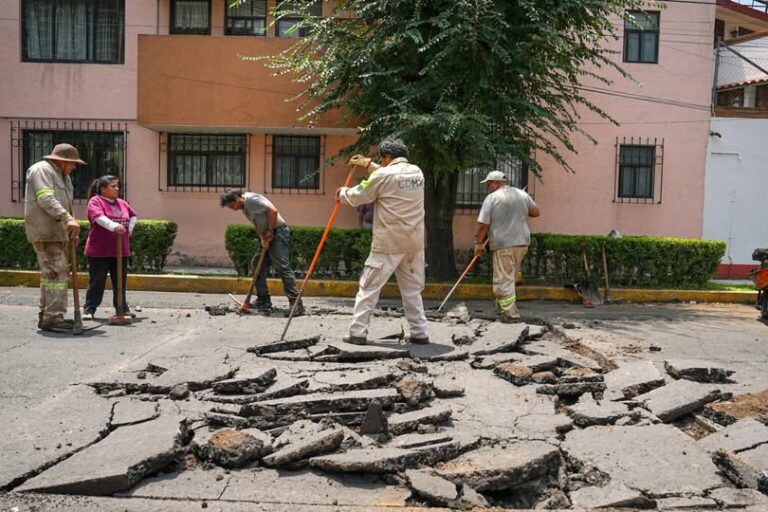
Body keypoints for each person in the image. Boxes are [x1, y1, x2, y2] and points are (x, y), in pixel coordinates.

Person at [337, 137, 429, 345]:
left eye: (382, 159)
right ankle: (420, 332)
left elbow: (360, 195)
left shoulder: (383, 175)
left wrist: (342, 193)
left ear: (387, 156)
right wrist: (369, 165)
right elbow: (391, 176)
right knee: (412, 290)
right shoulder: (417, 173)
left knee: (368, 287)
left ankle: (357, 333)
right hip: (413, 242)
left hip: (388, 242)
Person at [24, 143, 86, 332]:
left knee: (53, 275)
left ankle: (49, 315)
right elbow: (46, 199)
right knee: (56, 275)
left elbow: (65, 205)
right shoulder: (42, 170)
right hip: (46, 233)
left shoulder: (63, 176)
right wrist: (69, 220)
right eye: (72, 163)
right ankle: (53, 318)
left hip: (57, 233)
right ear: (62, 161)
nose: (74, 167)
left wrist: (71, 228)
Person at [219, 189, 304, 315]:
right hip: (267, 235)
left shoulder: (252, 200)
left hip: (278, 232)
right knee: (257, 264)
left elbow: (273, 211)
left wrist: (270, 231)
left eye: (232, 206)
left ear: (237, 198)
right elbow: (257, 223)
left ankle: (296, 304)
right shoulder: (245, 207)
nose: (232, 209)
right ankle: (263, 300)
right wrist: (263, 238)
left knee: (281, 267)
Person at [474, 170, 540, 322]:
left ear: (496, 183)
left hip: (504, 244)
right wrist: (518, 209)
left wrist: (478, 243)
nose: (488, 187)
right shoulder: (522, 194)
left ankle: (510, 314)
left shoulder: (492, 198)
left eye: (489, 184)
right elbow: (535, 212)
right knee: (509, 277)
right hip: (522, 243)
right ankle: (501, 308)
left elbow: (483, 225)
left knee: (503, 280)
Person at [83, 175, 138, 320]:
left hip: (121, 250)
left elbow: (133, 216)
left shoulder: (122, 203)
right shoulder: (96, 201)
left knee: (120, 281)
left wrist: (129, 230)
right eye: (113, 186)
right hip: (100, 250)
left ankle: (122, 307)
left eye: (117, 186)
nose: (117, 189)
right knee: (97, 281)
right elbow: (99, 218)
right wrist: (113, 226)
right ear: (103, 189)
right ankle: (89, 309)